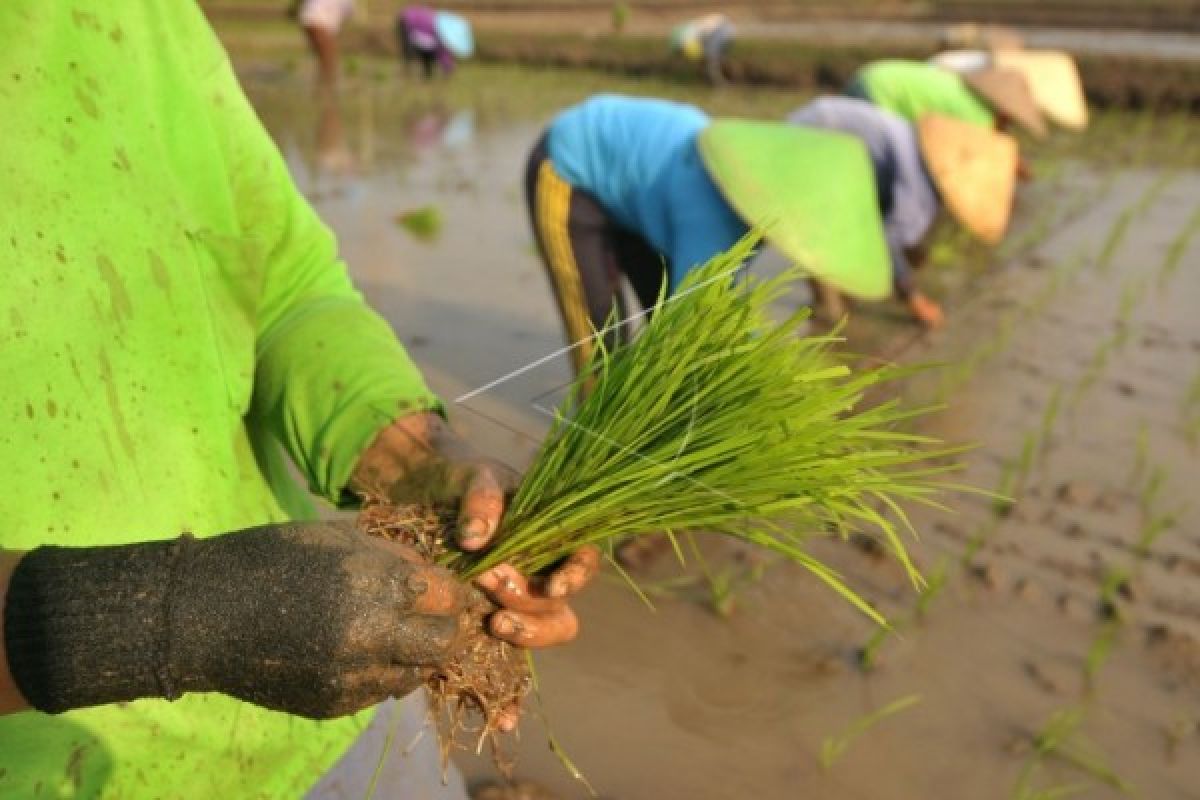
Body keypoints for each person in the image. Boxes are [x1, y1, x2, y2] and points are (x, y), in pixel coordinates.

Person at [0, 3, 595, 797]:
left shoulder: (144, 16)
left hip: (340, 701)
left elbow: (288, 293)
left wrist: (430, 466)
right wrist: (170, 618)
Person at [523, 93, 894, 374]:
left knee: (661, 314)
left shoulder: (753, 199)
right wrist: (758, 371)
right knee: (601, 339)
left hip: (643, 193)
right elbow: (695, 316)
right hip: (571, 170)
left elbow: (708, 304)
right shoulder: (713, 213)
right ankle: (598, 448)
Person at [789, 96, 1021, 327]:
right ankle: (825, 318)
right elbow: (889, 240)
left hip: (820, 121)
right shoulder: (919, 188)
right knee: (825, 262)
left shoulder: (918, 148)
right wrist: (914, 299)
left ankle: (836, 300)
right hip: (817, 140)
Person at [847, 58, 1047, 139]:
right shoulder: (978, 119)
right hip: (880, 95)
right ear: (1005, 112)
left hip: (869, 74)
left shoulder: (966, 85)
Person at [396, 6, 474, 80]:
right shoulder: (441, 40)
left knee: (423, 55)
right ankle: (411, 72)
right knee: (423, 55)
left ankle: (415, 73)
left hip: (412, 25)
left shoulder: (440, 30)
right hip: (412, 25)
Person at [298, 0, 356, 87]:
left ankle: (323, 92)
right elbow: (349, 14)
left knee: (326, 61)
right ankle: (326, 94)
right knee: (329, 62)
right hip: (319, 22)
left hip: (311, 20)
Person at [669, 13, 735, 86]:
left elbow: (696, 50)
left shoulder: (688, 34)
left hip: (720, 29)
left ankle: (719, 82)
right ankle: (716, 79)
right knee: (713, 58)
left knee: (712, 60)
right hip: (723, 28)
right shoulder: (693, 29)